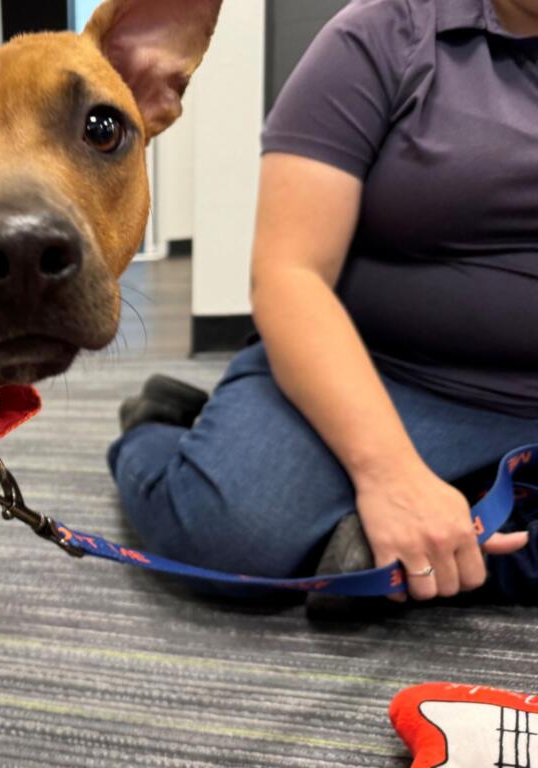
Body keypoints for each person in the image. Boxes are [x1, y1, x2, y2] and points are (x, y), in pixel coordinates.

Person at [108, 0, 538, 609]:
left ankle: (408, 557)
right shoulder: (381, 36)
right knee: (232, 542)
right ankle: (154, 429)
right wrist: (388, 475)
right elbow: (290, 273)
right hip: (383, 374)